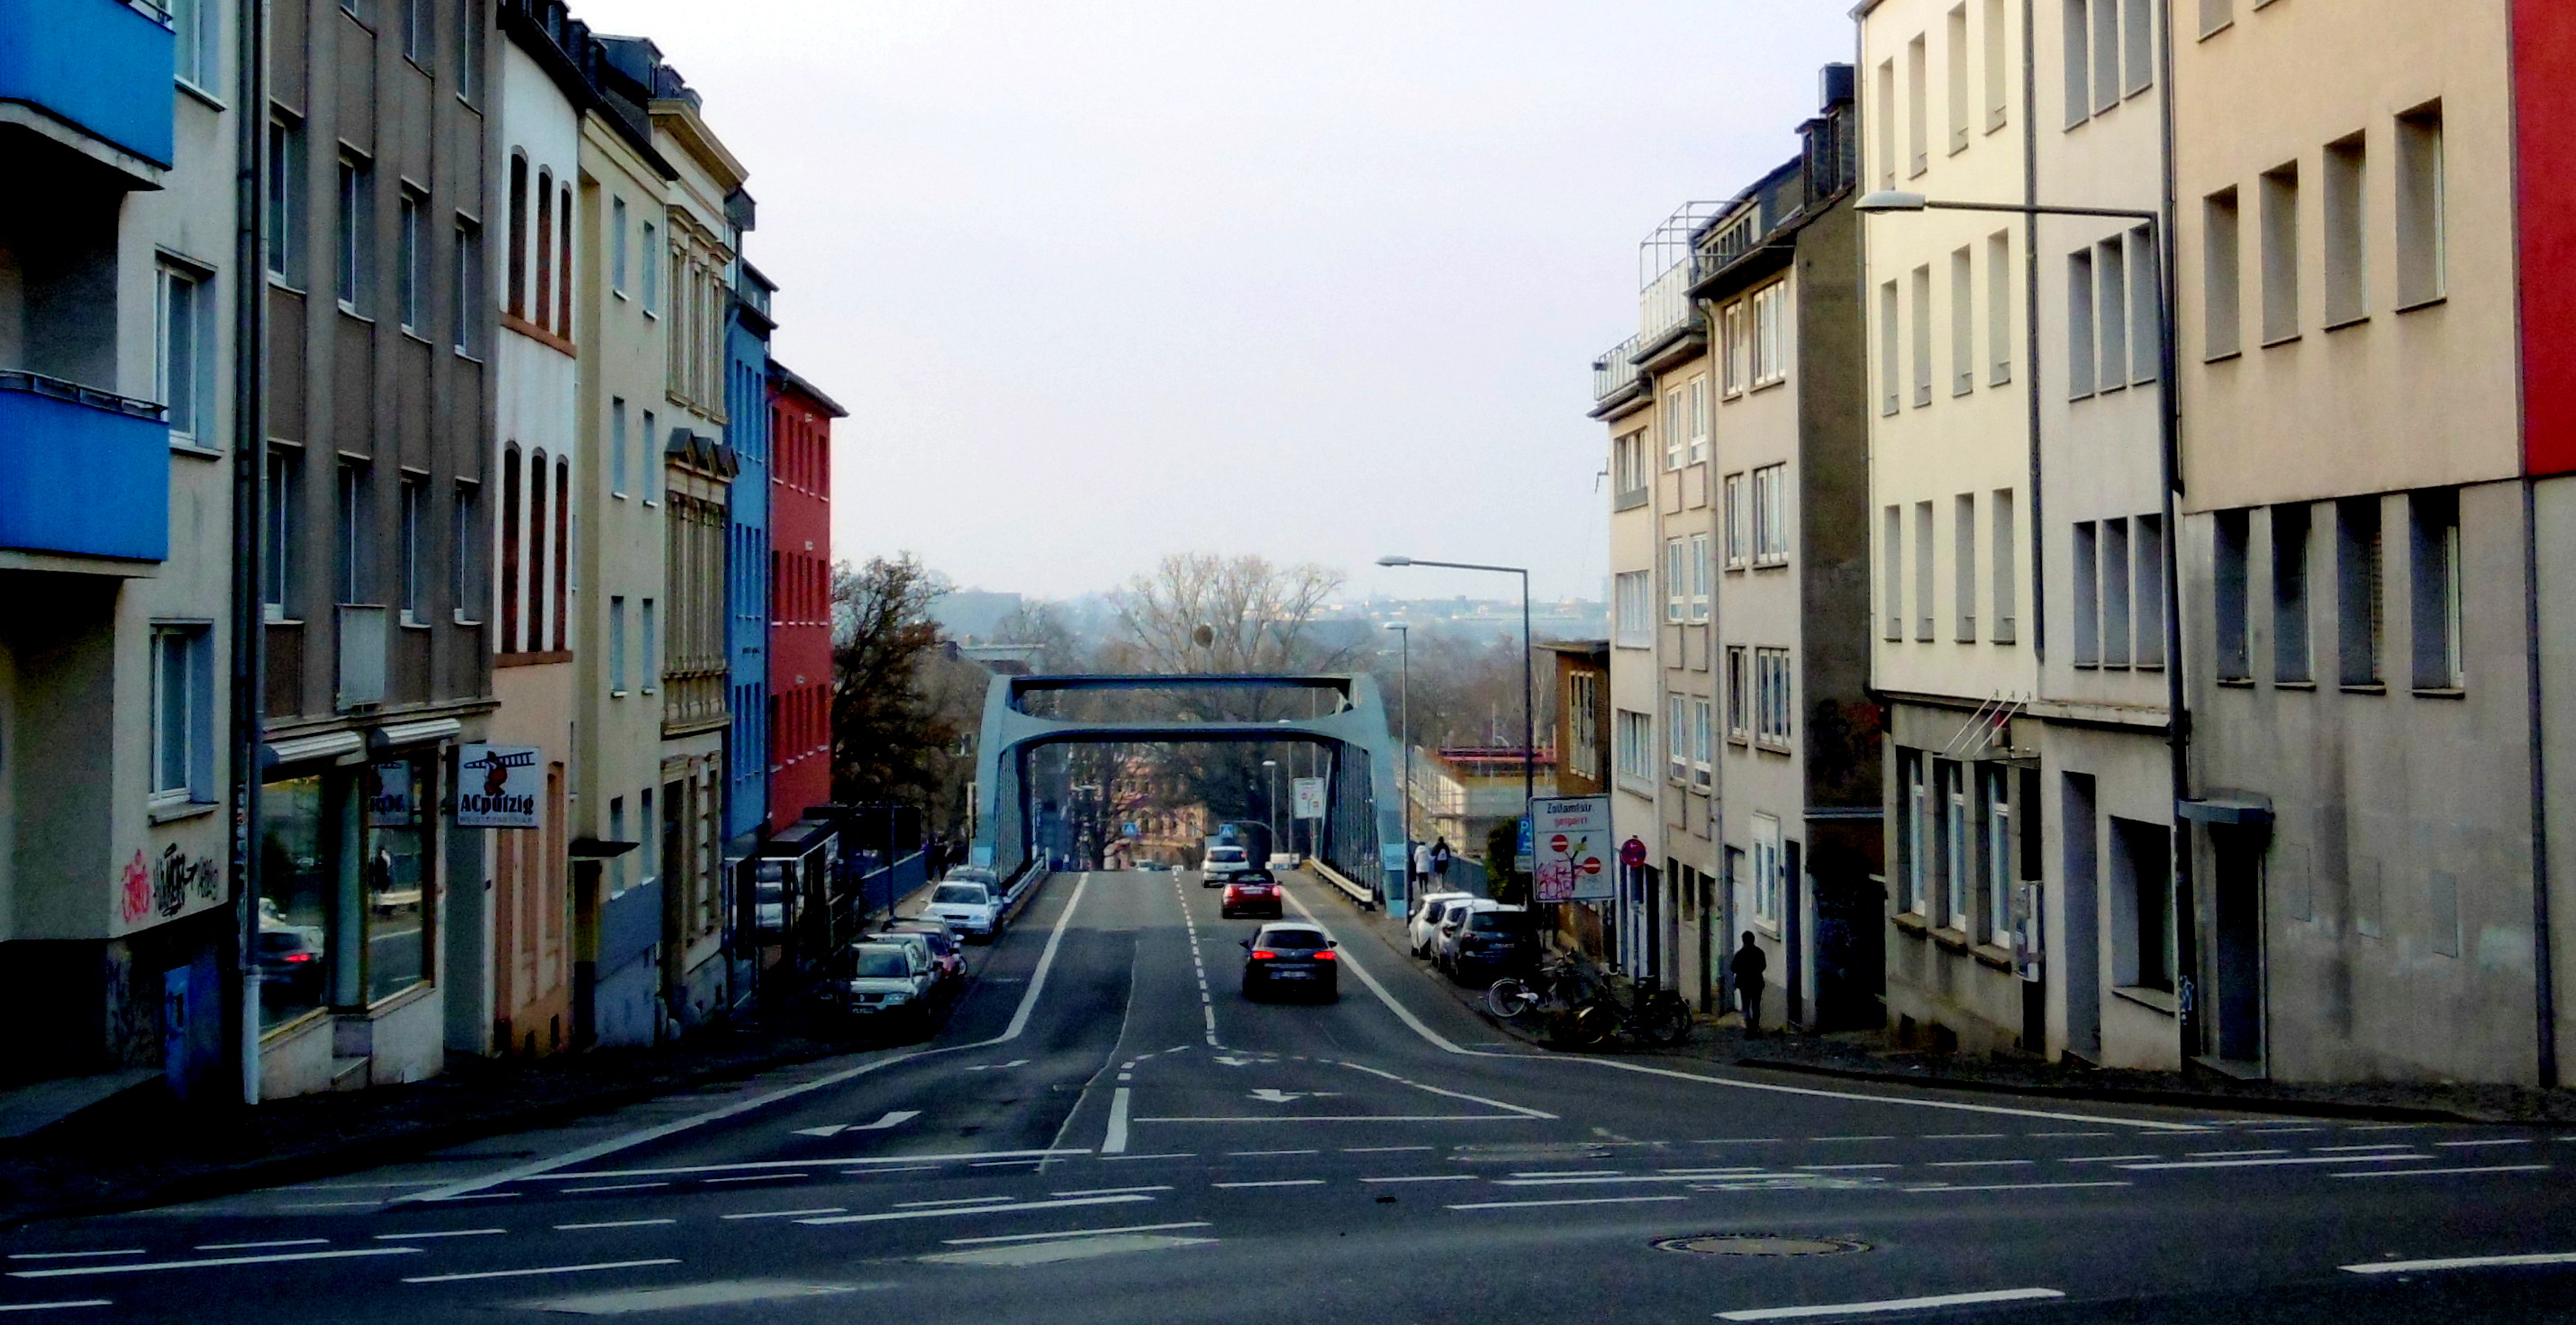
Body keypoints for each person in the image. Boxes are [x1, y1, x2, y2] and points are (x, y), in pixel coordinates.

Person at [1729, 931, 1769, 1038]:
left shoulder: (1740, 954)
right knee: (1756, 1006)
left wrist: (1742, 971)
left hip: (1744, 983)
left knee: (1746, 1006)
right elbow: (1763, 966)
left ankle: (1749, 1028)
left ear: (1743, 940)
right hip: (1757, 982)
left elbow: (1733, 968)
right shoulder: (1759, 952)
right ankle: (1755, 1027)